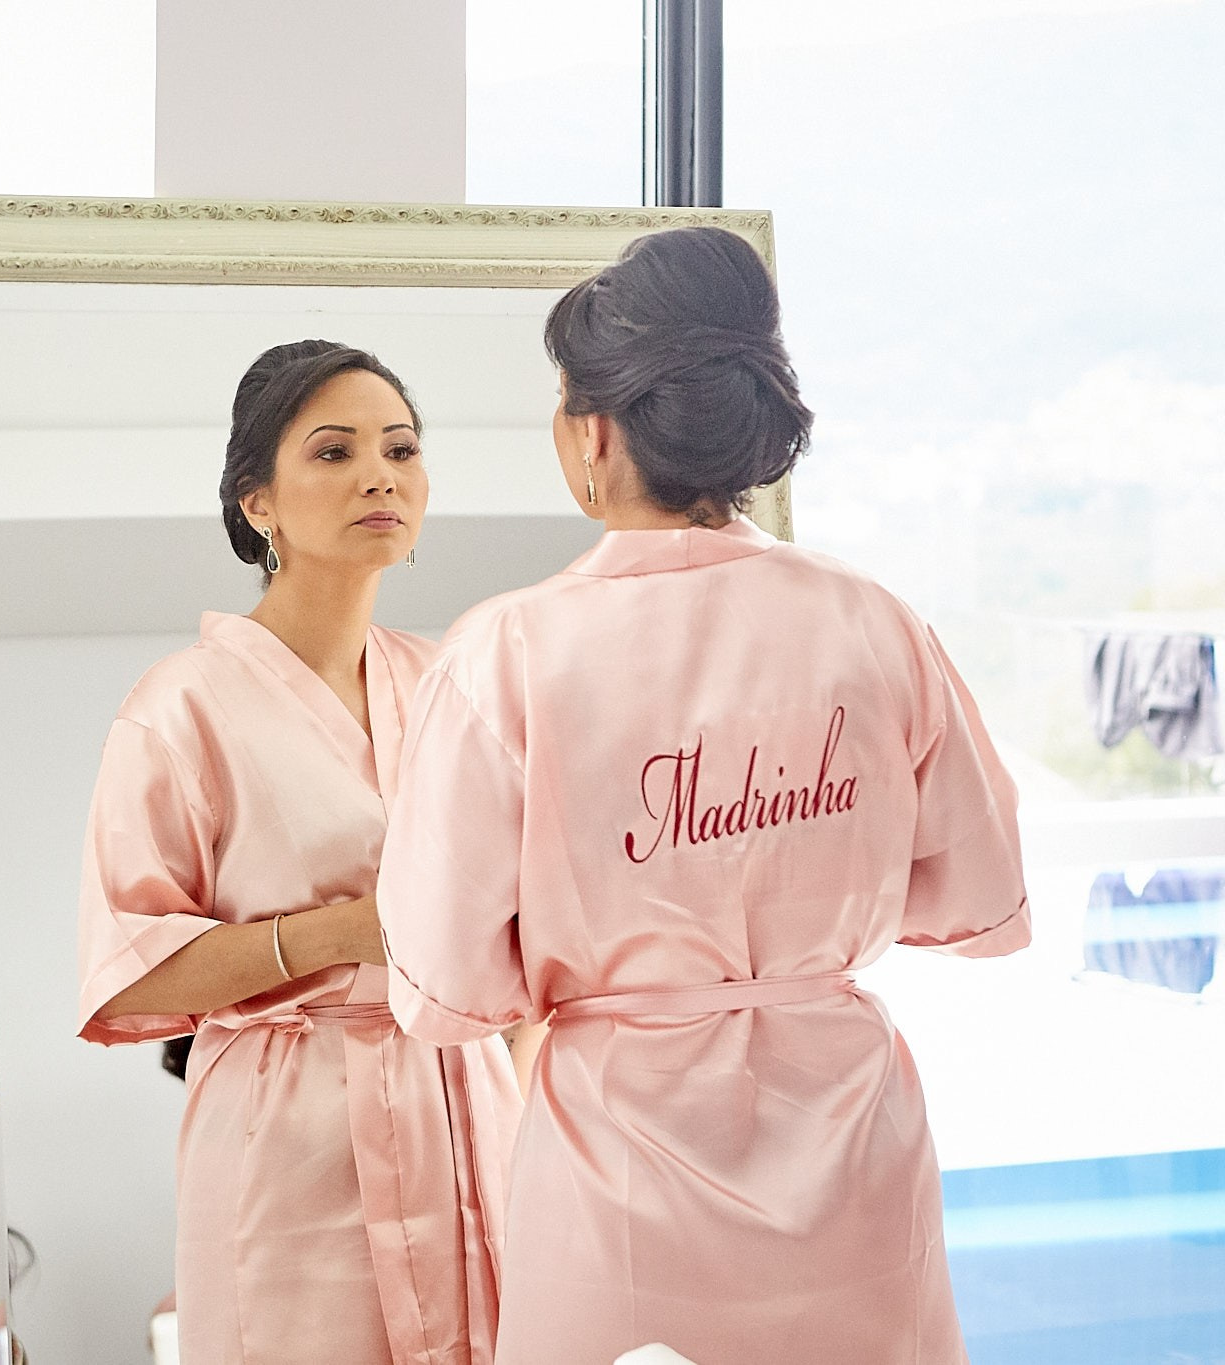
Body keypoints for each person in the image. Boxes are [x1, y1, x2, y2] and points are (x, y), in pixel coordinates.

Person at [377, 227, 1030, 1365]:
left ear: (590, 433)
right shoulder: (870, 621)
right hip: (850, 1158)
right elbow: (980, 903)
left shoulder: (506, 654)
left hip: (616, 1168)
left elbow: (441, 992)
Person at [77, 339, 522, 1365]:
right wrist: (351, 932)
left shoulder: (456, 681)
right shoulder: (176, 708)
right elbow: (128, 968)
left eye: (400, 449)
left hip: (462, 1104)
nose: (379, 474)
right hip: (282, 1132)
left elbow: (525, 933)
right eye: (332, 452)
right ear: (256, 504)